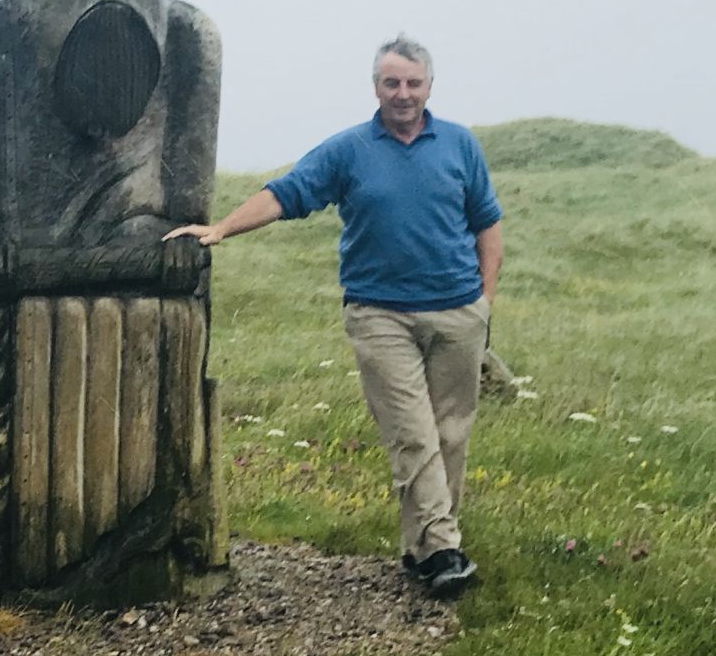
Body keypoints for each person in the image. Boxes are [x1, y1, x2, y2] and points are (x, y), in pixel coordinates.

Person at [164, 35, 503, 593]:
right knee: (414, 436)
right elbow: (288, 192)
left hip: (458, 313)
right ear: (376, 88)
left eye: (413, 83)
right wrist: (223, 227)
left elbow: (488, 227)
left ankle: (421, 552)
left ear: (429, 87)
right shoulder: (348, 151)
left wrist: (483, 303)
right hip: (381, 317)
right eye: (392, 83)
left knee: (449, 437)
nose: (403, 93)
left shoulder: (461, 146)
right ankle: (445, 551)